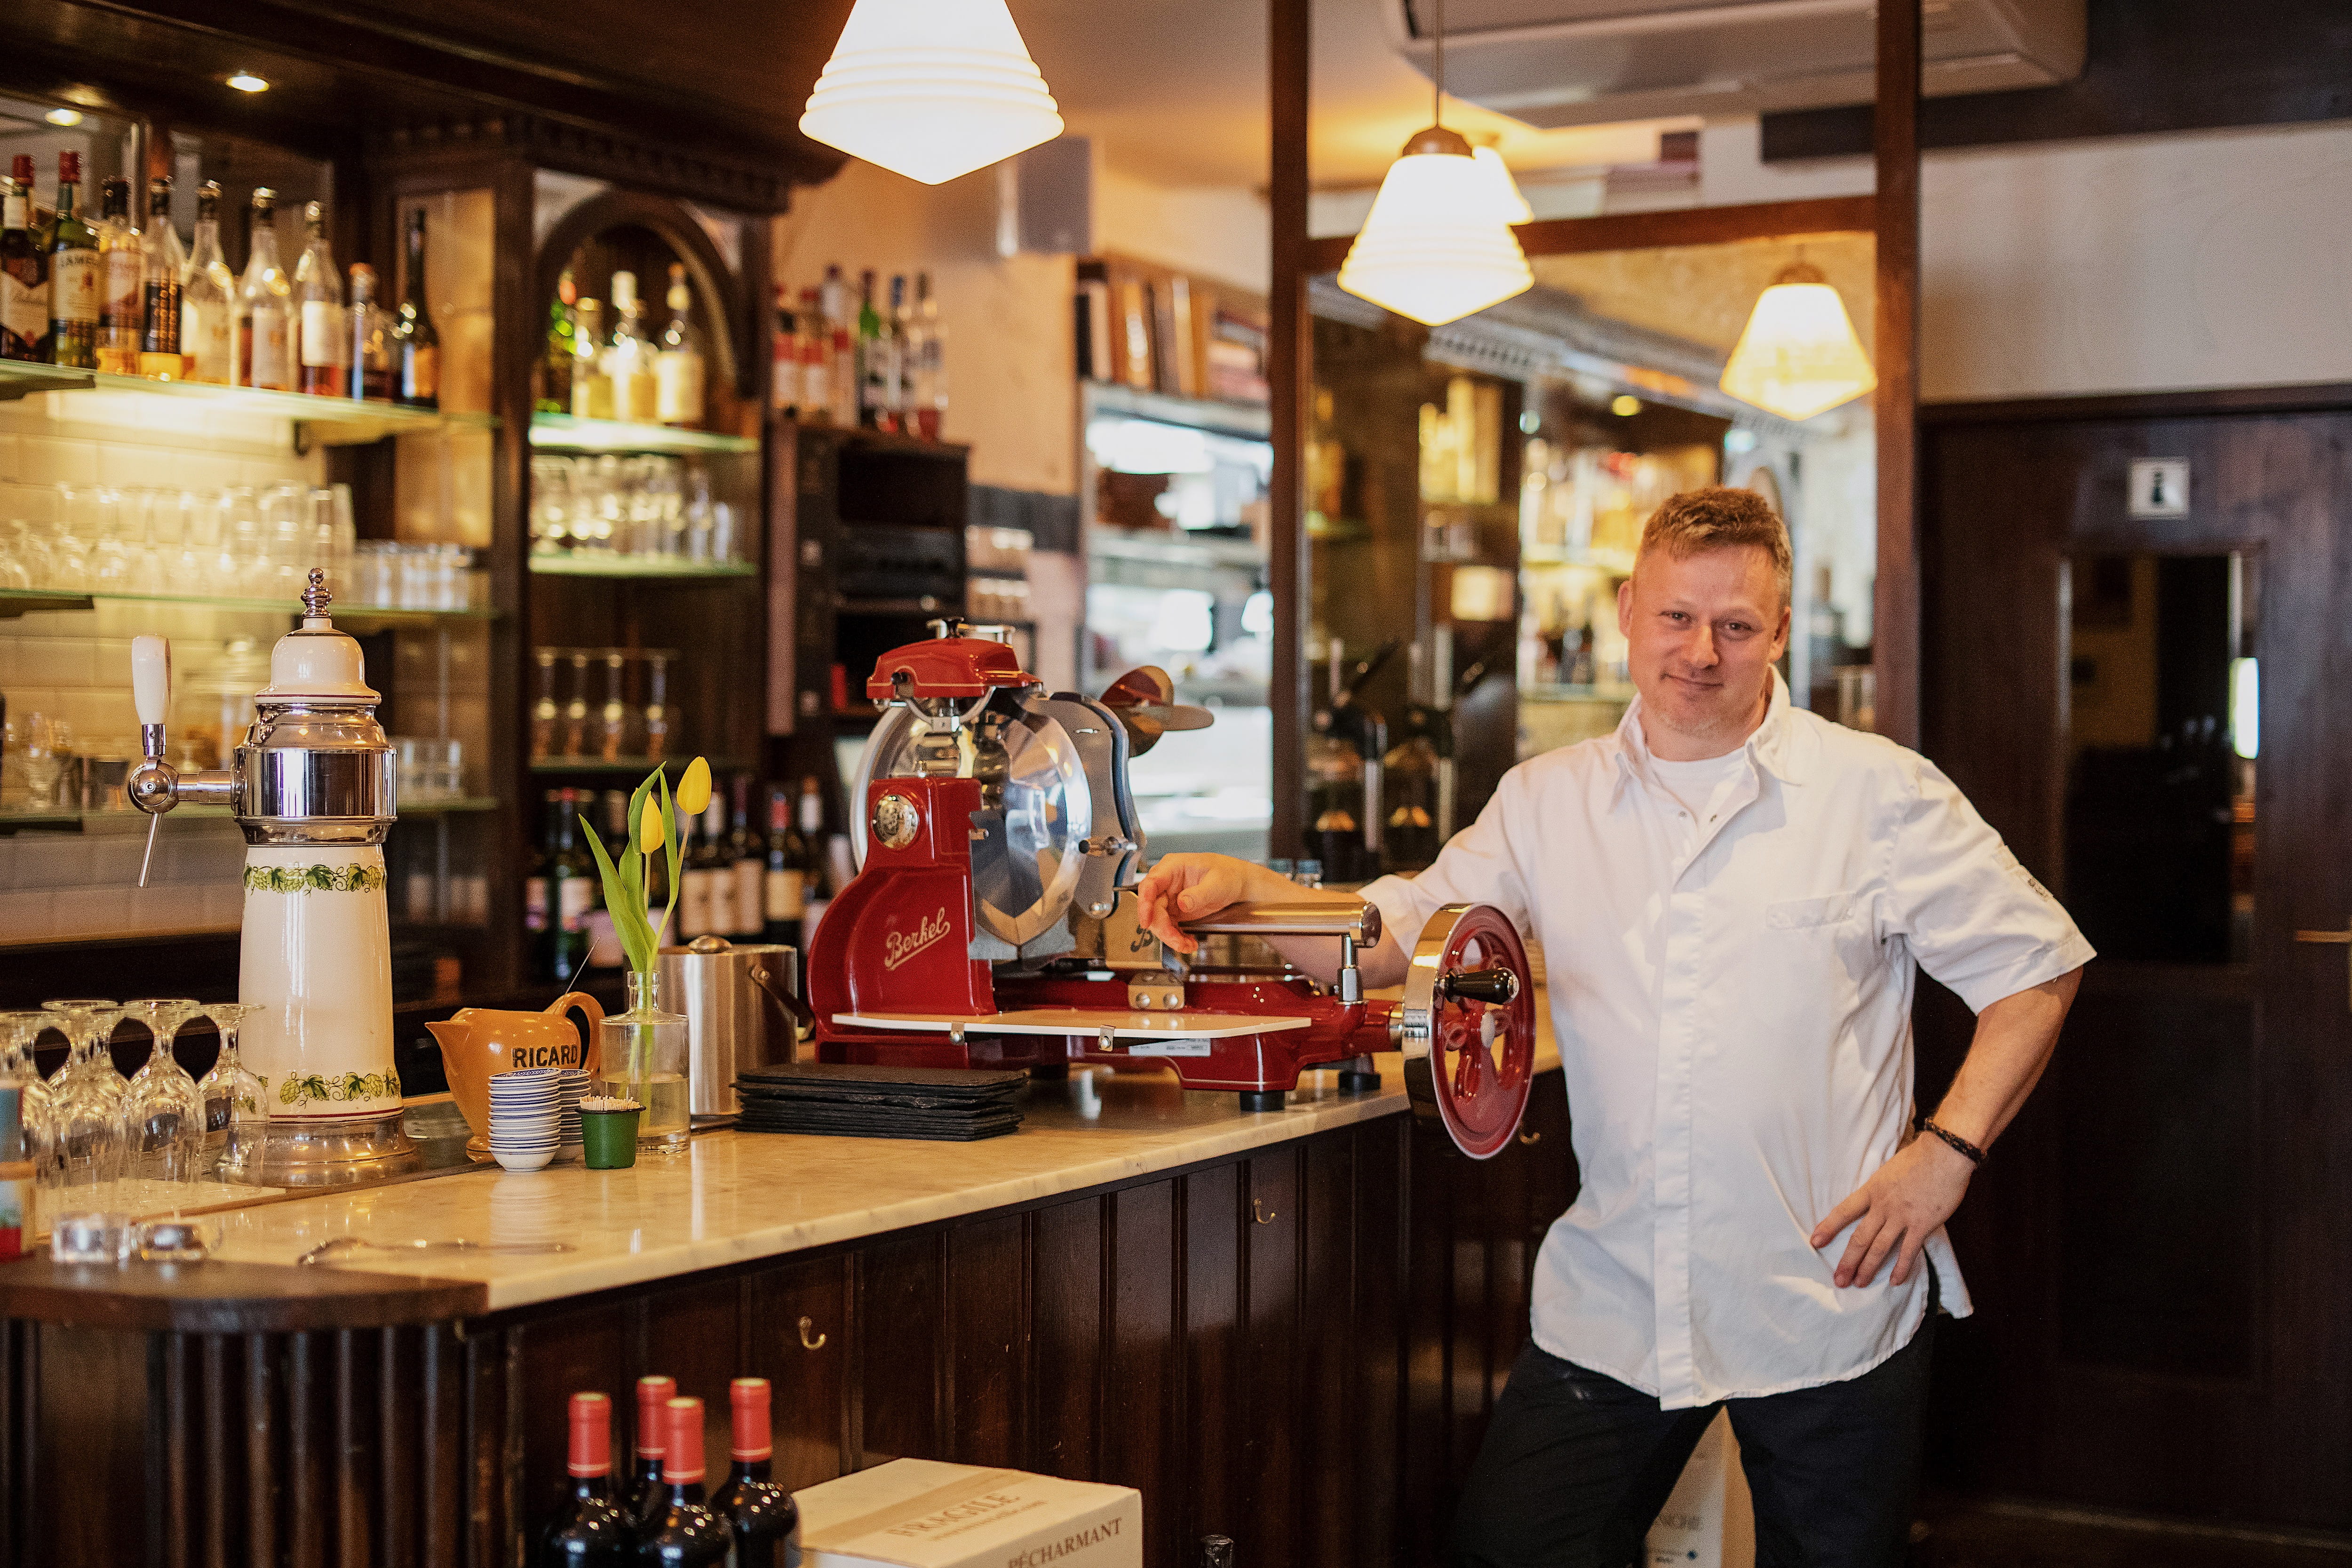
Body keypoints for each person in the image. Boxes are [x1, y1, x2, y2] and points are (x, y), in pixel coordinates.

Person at [1136, 487, 2091, 1568]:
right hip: (1618, 1297)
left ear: (1777, 632)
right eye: (1677, 617)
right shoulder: (1549, 799)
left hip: (1829, 1300)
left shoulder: (1875, 792)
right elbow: (1396, 937)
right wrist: (1248, 893)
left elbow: (2035, 969)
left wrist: (1947, 1152)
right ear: (1629, 609)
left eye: (1735, 625)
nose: (1700, 651)